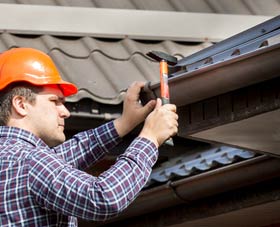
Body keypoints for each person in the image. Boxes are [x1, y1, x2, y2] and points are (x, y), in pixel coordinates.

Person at [0, 47, 178, 226]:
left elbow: (68, 154)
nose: (65, 112)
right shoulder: (31, 162)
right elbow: (104, 198)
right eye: (55, 101)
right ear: (21, 104)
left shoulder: (13, 159)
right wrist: (149, 138)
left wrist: (124, 124)